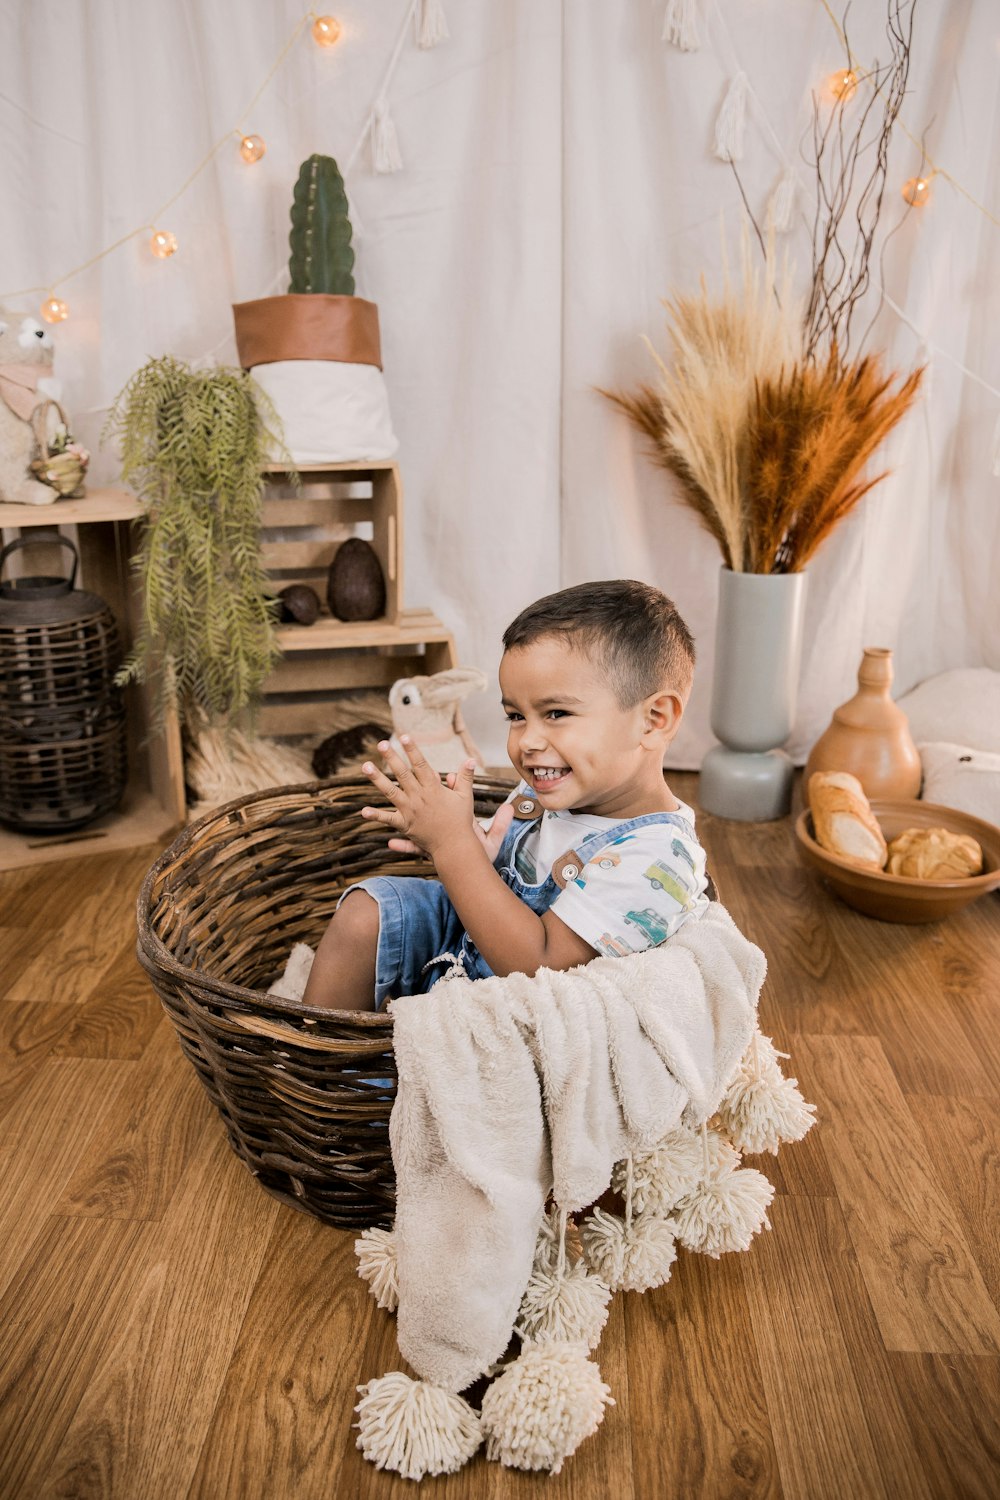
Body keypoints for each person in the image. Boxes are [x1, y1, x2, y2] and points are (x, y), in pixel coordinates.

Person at [301, 579, 710, 1011]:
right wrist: (474, 848)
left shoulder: (657, 857)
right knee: (365, 912)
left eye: (556, 713)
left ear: (654, 720)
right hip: (464, 956)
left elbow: (540, 968)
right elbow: (493, 881)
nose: (527, 741)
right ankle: (311, 1058)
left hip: (521, 1016)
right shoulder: (553, 789)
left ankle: (383, 1063)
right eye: (515, 715)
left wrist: (453, 848)